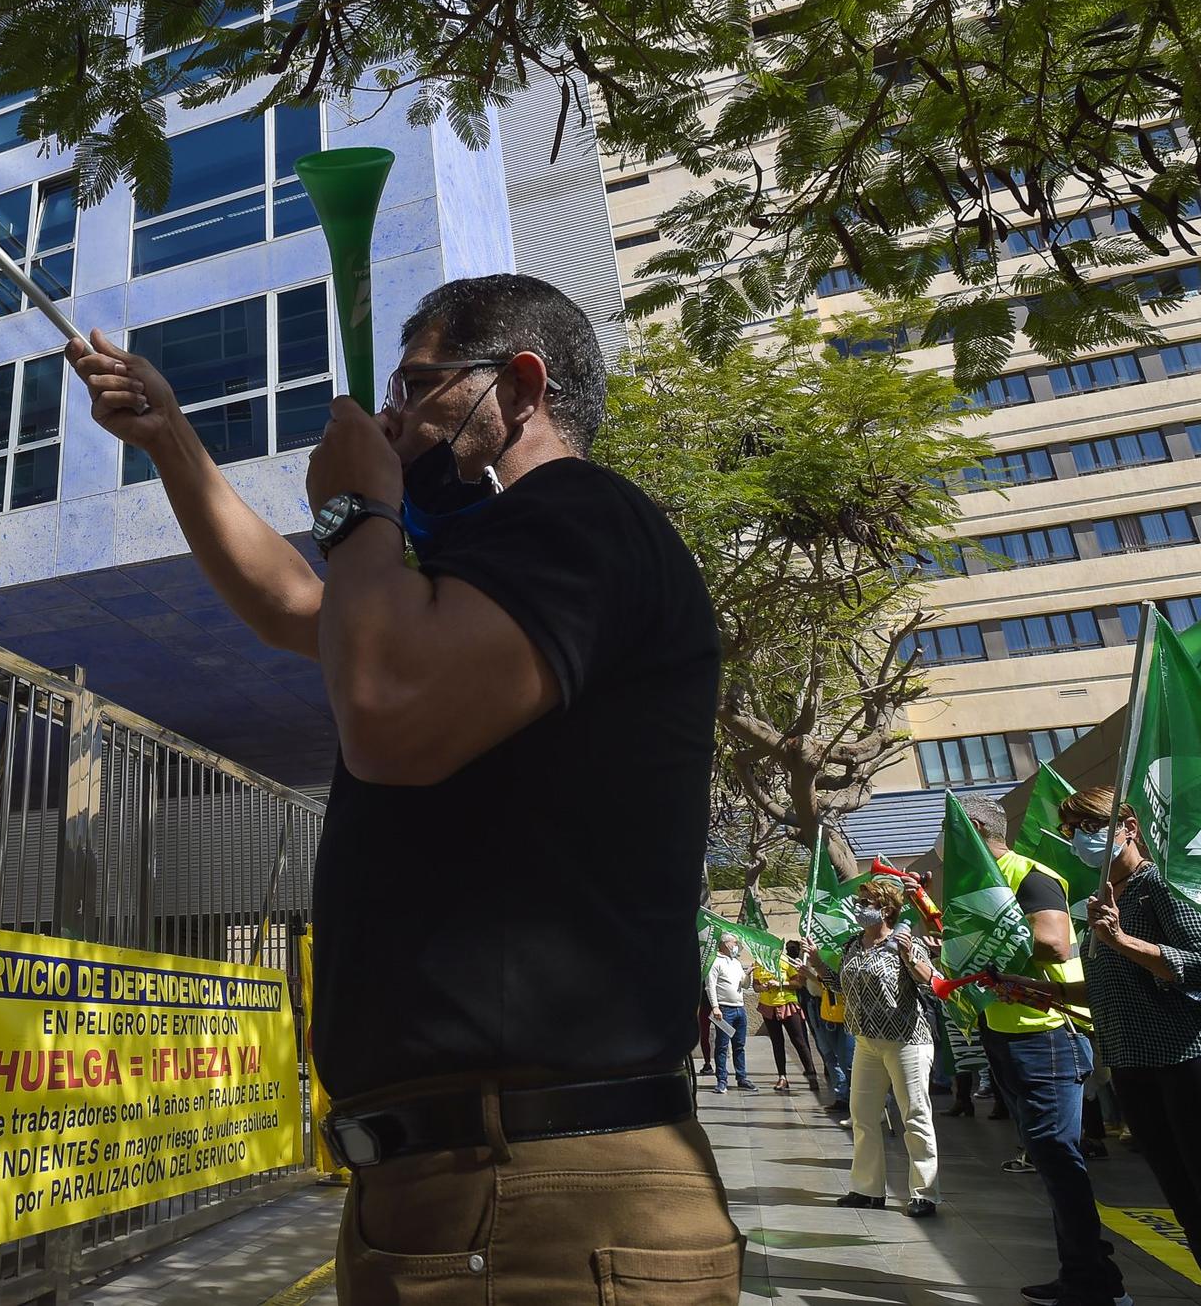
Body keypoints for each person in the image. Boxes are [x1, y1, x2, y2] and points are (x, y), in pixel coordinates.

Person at [67, 275, 739, 1303]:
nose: (386, 416)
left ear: (518, 386)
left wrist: (353, 504)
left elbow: (384, 708)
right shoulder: (476, 561)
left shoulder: (578, 516)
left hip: (532, 1190)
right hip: (460, 1186)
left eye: (416, 384)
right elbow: (296, 604)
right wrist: (171, 440)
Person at [1000, 786, 1201, 1306]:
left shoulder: (1162, 886)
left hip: (1195, 1059)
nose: (1083, 839)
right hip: (1135, 1067)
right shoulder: (1101, 902)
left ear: (1130, 828)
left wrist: (1125, 941)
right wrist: (1050, 991)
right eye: (1074, 830)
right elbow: (1112, 986)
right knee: (1191, 1210)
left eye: (1095, 826)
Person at [954, 795, 1122, 1306]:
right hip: (1007, 1031)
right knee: (1048, 1157)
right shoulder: (983, 881)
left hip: (1045, 1032)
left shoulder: (1028, 876)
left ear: (976, 830)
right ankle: (1087, 1271)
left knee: (1057, 1156)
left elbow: (1053, 943)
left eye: (951, 834)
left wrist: (988, 945)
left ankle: (1091, 1282)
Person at [833, 878, 942, 1217]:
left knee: (915, 1115)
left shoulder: (903, 941)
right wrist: (816, 965)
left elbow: (932, 981)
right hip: (866, 1041)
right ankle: (866, 1189)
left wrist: (911, 956)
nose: (859, 908)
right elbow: (840, 985)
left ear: (886, 909)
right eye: (860, 901)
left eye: (866, 903)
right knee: (862, 1117)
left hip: (906, 1040)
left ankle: (925, 1193)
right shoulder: (853, 944)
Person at [755, 941, 821, 1093]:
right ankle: (782, 1077)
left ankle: (811, 1075)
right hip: (768, 1006)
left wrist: (780, 984)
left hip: (787, 1004)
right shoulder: (758, 963)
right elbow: (755, 985)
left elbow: (798, 983)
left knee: (799, 1041)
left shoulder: (785, 960)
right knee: (777, 1043)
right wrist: (761, 987)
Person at [804, 949, 853, 1119]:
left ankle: (867, 1101)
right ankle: (842, 1097)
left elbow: (836, 985)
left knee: (847, 1060)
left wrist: (813, 973)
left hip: (843, 1015)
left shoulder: (842, 957)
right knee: (829, 1055)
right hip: (823, 1010)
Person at [706, 932, 756, 1093]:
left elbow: (744, 985)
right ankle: (722, 1080)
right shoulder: (715, 962)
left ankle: (742, 1077)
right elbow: (710, 986)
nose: (736, 946)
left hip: (739, 1008)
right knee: (722, 1046)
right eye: (734, 943)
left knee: (739, 1045)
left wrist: (748, 974)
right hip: (724, 1010)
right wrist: (715, 1007)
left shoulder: (736, 962)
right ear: (725, 944)